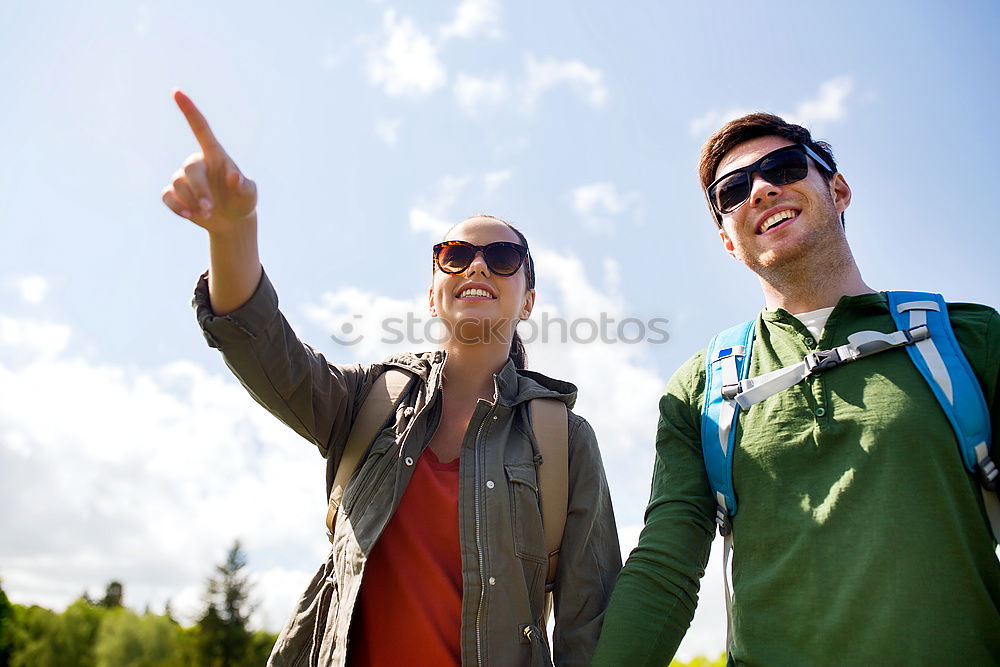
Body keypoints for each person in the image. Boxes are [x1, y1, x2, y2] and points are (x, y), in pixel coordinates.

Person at [160, 90, 620, 667]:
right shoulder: (367, 401)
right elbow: (264, 352)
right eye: (455, 254)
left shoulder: (567, 441)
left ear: (528, 300)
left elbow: (591, 623)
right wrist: (233, 232)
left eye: (503, 257)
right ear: (433, 293)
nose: (477, 265)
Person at [592, 113, 1000, 664]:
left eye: (783, 168)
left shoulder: (970, 338)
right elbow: (666, 566)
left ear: (838, 188)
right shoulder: (699, 388)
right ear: (728, 242)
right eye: (733, 191)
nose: (762, 189)